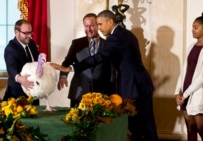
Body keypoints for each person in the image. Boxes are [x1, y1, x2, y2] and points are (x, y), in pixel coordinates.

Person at [51, 10, 158, 141]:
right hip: (142, 83)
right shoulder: (127, 34)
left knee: (133, 125)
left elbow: (99, 57)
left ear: (110, 21)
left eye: (100, 24)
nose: (99, 28)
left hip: (132, 85)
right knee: (148, 122)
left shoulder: (115, 38)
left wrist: (72, 68)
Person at [57, 13, 116, 108]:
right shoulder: (76, 44)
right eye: (86, 26)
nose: (89, 29)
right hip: (79, 93)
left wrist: (112, 93)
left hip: (101, 95)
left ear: (98, 25)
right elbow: (67, 61)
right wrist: (63, 76)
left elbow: (112, 70)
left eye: (92, 26)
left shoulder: (107, 45)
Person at [174, 12, 203, 141]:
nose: (192, 30)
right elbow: (184, 71)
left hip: (197, 94)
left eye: (195, 27)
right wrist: (177, 92)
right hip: (184, 93)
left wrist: (185, 94)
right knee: (190, 129)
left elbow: (202, 77)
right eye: (192, 27)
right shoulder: (191, 46)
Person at [3, 19, 39, 105]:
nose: (29, 36)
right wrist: (19, 78)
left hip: (33, 91)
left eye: (30, 32)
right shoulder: (10, 48)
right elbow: (11, 67)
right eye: (25, 33)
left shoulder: (32, 44)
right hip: (17, 94)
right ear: (16, 32)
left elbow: (37, 62)